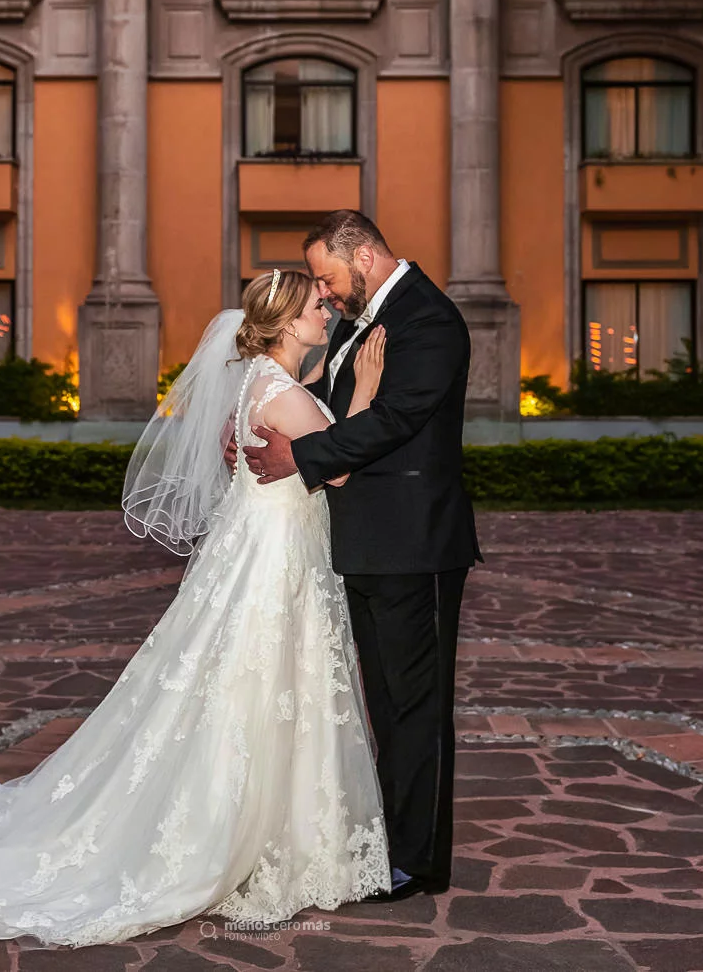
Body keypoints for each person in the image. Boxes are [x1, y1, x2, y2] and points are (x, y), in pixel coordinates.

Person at [0, 268, 392, 946]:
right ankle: (250, 834)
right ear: (288, 322)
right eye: (319, 307)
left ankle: (259, 824)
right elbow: (341, 466)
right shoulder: (282, 392)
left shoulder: (259, 383)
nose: (329, 313)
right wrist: (370, 391)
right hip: (274, 562)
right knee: (262, 686)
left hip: (263, 552)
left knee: (240, 685)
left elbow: (306, 436)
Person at [244, 208, 479, 902]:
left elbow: (398, 417)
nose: (325, 291)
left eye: (327, 275)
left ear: (364, 257)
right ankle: (386, 843)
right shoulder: (359, 319)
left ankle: (418, 861)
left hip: (416, 545)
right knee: (383, 701)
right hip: (365, 540)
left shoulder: (428, 321)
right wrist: (276, 419)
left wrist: (300, 455)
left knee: (416, 709)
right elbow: (340, 400)